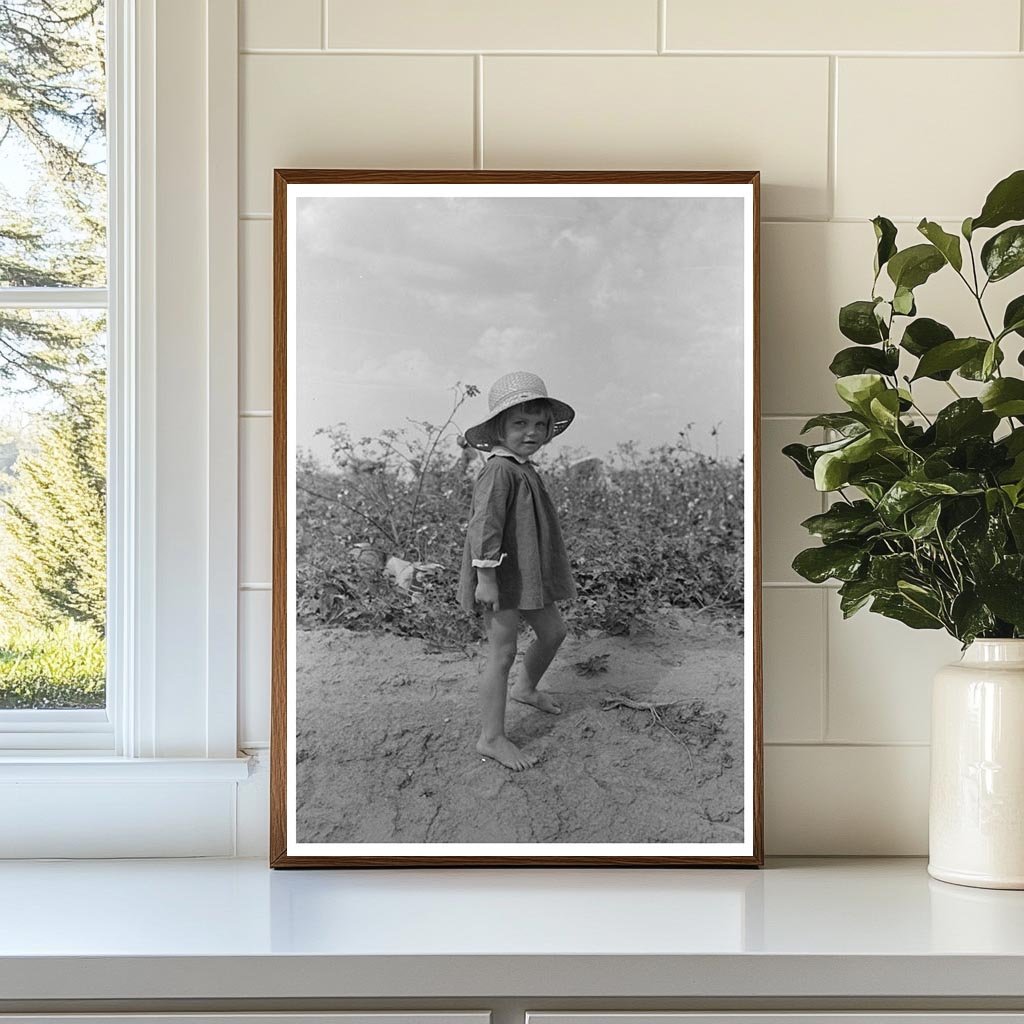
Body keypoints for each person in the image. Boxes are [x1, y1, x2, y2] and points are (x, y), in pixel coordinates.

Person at [457, 371, 577, 771]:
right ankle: (491, 737)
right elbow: (484, 526)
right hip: (500, 576)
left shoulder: (523, 468)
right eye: (519, 423)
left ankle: (525, 688)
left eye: (539, 424)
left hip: (526, 574)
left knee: (554, 632)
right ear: (498, 428)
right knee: (502, 652)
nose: (531, 432)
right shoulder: (499, 470)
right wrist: (487, 579)